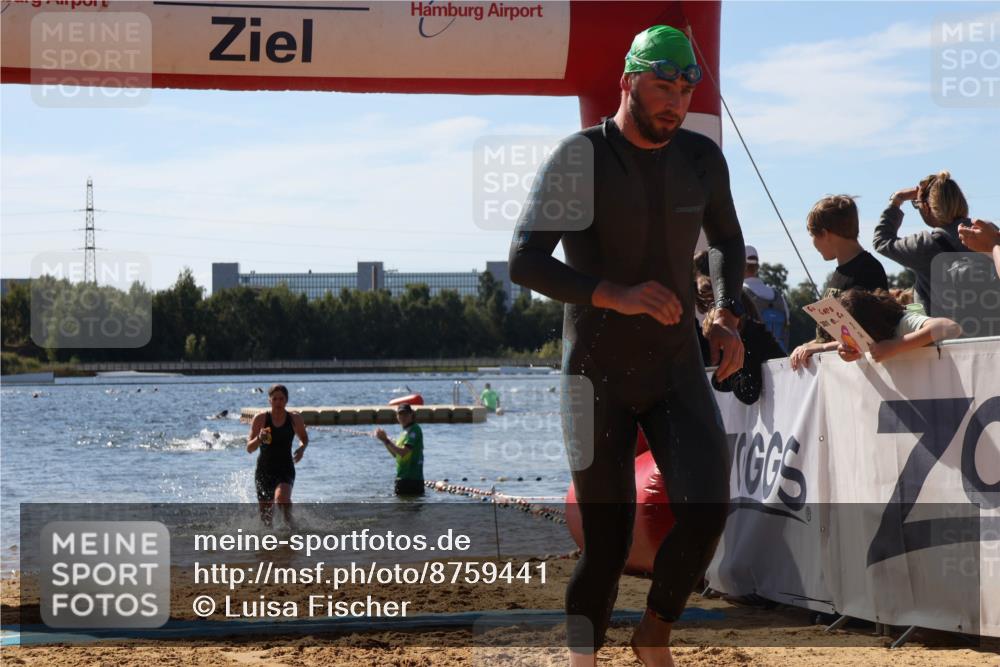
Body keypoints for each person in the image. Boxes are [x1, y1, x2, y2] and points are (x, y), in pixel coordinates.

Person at [509, 24, 745, 666]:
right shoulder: (580, 157)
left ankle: (652, 638)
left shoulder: (700, 158)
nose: (674, 101)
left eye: (684, 88)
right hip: (595, 374)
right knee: (608, 542)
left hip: (673, 366)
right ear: (628, 80)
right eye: (662, 85)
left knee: (707, 510)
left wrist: (723, 312)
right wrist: (612, 293)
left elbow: (725, 240)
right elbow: (525, 262)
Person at [790, 195, 889, 370]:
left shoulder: (868, 269)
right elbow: (831, 335)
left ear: (826, 234)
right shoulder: (839, 273)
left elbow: (867, 334)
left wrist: (818, 348)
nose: (812, 242)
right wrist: (808, 345)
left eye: (812, 235)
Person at [873, 171, 971, 313]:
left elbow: (881, 241)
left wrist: (896, 200)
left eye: (917, 204)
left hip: (950, 332)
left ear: (926, 207)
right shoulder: (989, 232)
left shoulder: (926, 245)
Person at [833, 288, 962, 363]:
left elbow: (950, 327)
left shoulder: (903, 322)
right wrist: (843, 347)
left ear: (869, 324)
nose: (851, 337)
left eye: (852, 331)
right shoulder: (875, 331)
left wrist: (895, 347)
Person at [703, 292, 786, 405]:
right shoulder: (757, 335)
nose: (721, 350)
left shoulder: (752, 342)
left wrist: (726, 374)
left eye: (721, 345)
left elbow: (749, 392)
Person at [246, 384, 309, 527]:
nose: (278, 402)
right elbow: (249, 448)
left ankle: (291, 532)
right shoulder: (260, 419)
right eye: (275, 399)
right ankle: (269, 546)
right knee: (266, 519)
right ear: (269, 401)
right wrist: (259, 439)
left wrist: (301, 448)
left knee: (282, 500)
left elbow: (304, 438)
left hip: (285, 467)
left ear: (286, 400)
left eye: (281, 399)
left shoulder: (294, 418)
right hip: (264, 470)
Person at [741, 244, 790, 352]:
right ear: (757, 267)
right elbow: (786, 325)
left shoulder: (740, 295)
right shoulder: (779, 296)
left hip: (753, 363)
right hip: (781, 359)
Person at [374, 403, 425, 496]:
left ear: (411, 414)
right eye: (400, 414)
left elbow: (403, 452)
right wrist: (384, 441)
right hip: (401, 479)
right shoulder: (403, 433)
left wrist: (387, 440)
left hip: (413, 480)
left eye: (406, 414)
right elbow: (396, 454)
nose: (403, 417)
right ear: (397, 416)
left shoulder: (415, 429)